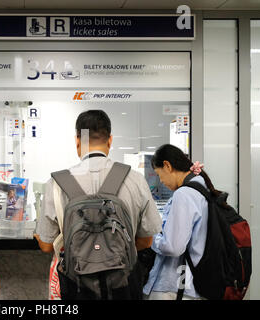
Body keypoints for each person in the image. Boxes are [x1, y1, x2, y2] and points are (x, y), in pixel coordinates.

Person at [34, 109, 162, 300]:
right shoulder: (134, 179)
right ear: (110, 140)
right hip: (123, 285)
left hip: (76, 286)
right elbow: (146, 240)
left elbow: (46, 245)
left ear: (78, 141)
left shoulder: (57, 184)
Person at [143, 144, 211, 300]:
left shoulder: (184, 194)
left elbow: (173, 247)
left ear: (167, 166)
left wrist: (150, 237)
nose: (161, 180)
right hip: (193, 283)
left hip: (174, 286)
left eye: (159, 174)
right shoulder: (202, 186)